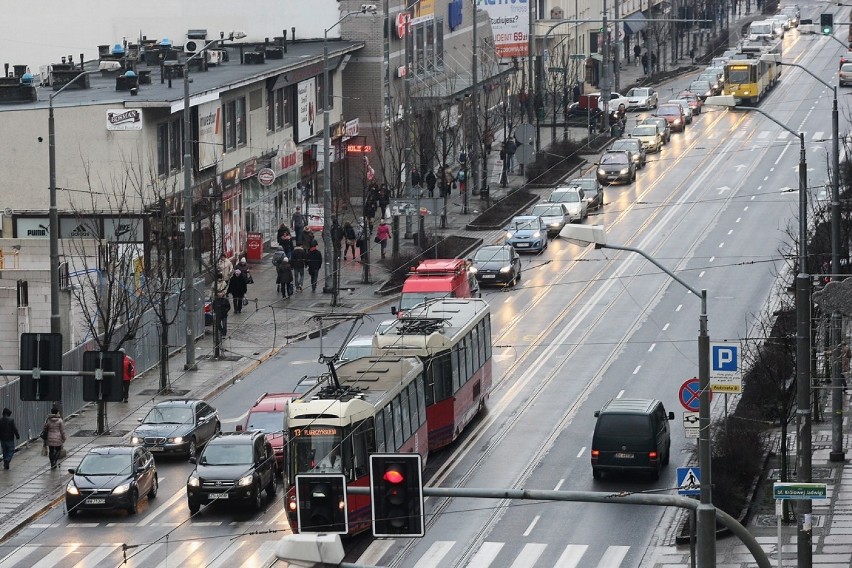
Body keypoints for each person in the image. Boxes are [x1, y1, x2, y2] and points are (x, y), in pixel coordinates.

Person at [212, 272, 230, 338]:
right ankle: (222, 331)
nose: (219, 279)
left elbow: (225, 289)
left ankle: (224, 333)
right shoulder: (214, 283)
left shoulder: (224, 283)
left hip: (224, 313)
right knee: (218, 324)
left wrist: (223, 293)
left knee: (224, 324)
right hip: (218, 312)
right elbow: (212, 289)